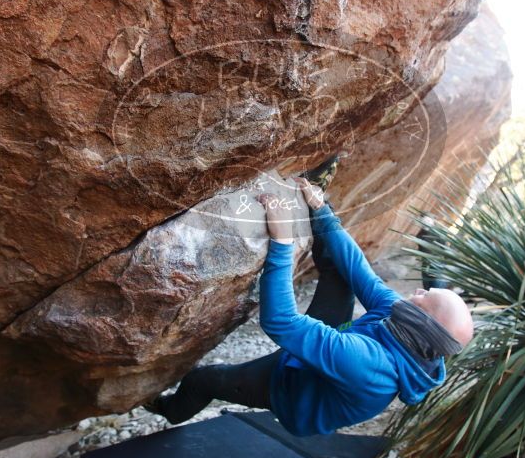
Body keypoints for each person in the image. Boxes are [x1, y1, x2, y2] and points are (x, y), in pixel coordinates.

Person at [145, 165, 474, 437]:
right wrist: (321, 212)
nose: (416, 292)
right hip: (336, 349)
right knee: (339, 271)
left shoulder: (371, 367)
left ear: (420, 321)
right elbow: (360, 272)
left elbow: (282, 323)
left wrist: (282, 241)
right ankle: (313, 199)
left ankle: (169, 410)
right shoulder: (404, 324)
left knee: (205, 379)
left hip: (289, 389)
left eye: (424, 296)